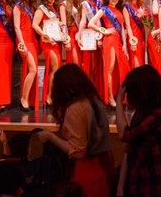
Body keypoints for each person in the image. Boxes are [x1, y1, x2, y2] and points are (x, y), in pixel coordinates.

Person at [37, 64, 114, 197]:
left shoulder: (76, 109)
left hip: (89, 172)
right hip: (105, 165)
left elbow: (78, 151)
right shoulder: (96, 103)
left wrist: (50, 137)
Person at [115, 65, 161, 197]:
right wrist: (120, 188)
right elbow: (129, 148)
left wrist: (119, 101)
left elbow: (125, 134)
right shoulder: (142, 112)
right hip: (137, 183)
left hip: (156, 184)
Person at [88, 0, 131, 106]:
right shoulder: (104, 9)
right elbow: (91, 24)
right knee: (110, 69)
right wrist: (104, 31)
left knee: (124, 68)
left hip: (119, 42)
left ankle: (123, 97)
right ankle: (110, 98)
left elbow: (122, 28)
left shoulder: (119, 10)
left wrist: (125, 45)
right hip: (110, 40)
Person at [32, 0, 62, 108]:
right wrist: (45, 35)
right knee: (55, 68)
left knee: (54, 68)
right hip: (47, 42)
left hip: (55, 42)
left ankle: (50, 96)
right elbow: (34, 24)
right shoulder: (41, 9)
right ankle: (49, 97)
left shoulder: (54, 8)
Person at [14, 0, 39, 112]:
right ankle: (23, 99)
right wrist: (22, 43)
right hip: (23, 39)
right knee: (33, 70)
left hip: (32, 39)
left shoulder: (32, 6)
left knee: (32, 70)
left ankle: (29, 99)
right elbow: (16, 27)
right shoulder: (17, 7)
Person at [78, 0, 104, 94]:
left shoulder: (103, 1)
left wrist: (101, 35)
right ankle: (88, 92)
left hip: (101, 33)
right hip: (89, 34)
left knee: (98, 65)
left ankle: (99, 92)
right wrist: (79, 35)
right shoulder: (86, 3)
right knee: (88, 64)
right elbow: (83, 20)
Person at [123, 0, 151, 69]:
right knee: (135, 63)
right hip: (133, 37)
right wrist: (132, 41)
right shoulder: (126, 6)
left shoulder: (141, 7)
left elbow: (149, 25)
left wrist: (143, 17)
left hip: (141, 37)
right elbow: (127, 25)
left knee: (141, 62)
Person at [60, 0, 81, 65]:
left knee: (79, 61)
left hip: (77, 36)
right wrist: (66, 41)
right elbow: (63, 25)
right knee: (74, 61)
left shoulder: (78, 5)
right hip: (70, 36)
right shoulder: (63, 5)